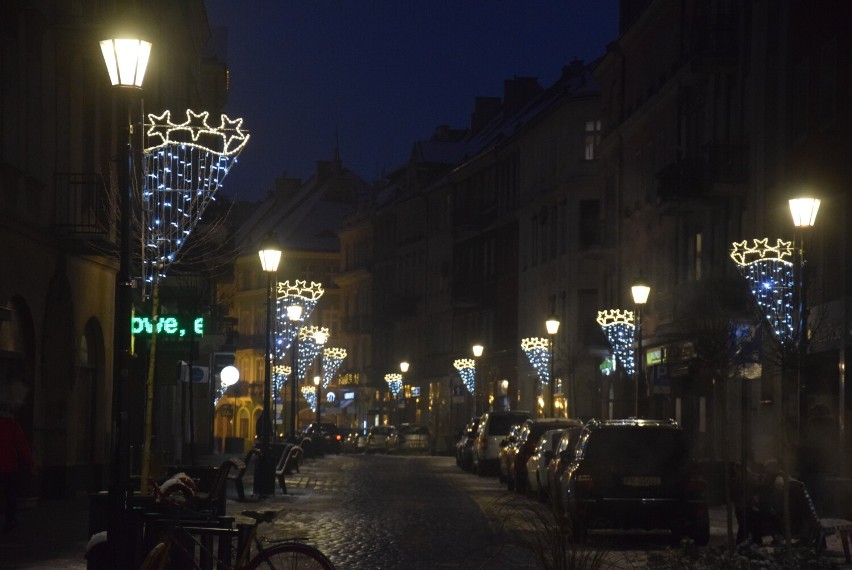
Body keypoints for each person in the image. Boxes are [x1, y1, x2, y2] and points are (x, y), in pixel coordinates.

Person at [0, 408, 34, 532]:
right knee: (10, 494)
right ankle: (9, 521)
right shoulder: (12, 424)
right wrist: (29, 462)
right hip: (9, 465)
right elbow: (22, 444)